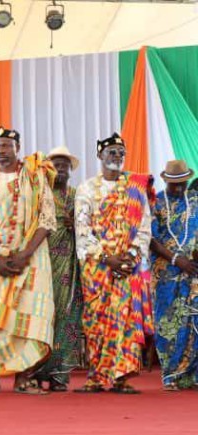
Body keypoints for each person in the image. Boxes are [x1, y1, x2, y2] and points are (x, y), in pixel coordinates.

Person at [0, 127, 56, 395]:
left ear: (17, 147)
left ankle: (24, 378)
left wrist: (24, 255)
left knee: (27, 318)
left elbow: (47, 219)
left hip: (30, 261)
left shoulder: (35, 177)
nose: (2, 151)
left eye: (7, 146)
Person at [74, 133, 153, 394]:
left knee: (126, 319)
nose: (117, 156)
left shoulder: (135, 188)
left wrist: (130, 257)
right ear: (100, 156)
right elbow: (82, 229)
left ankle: (121, 376)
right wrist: (108, 258)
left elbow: (144, 227)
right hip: (98, 268)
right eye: (111, 152)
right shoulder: (86, 189)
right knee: (96, 319)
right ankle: (96, 376)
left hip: (127, 268)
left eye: (121, 152)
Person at [32, 146, 83, 391]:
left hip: (70, 266)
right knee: (42, 316)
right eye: (55, 165)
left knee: (67, 316)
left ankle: (60, 375)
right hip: (42, 262)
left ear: (71, 170)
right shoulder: (39, 195)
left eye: (64, 165)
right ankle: (37, 371)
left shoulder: (77, 196)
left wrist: (77, 225)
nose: (60, 169)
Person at [150, 160, 198, 390]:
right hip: (165, 273)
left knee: (192, 320)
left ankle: (192, 376)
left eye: (182, 183)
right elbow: (151, 239)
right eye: (174, 184)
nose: (179, 188)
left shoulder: (195, 201)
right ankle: (171, 376)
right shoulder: (156, 202)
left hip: (193, 271)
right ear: (166, 181)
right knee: (168, 322)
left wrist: (192, 260)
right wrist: (177, 260)